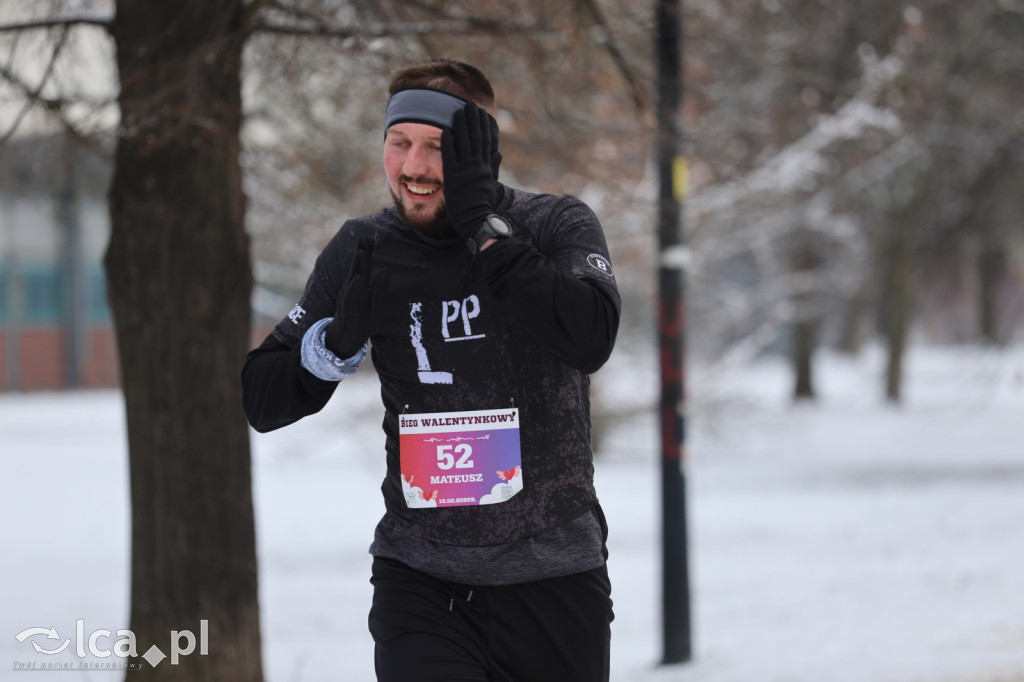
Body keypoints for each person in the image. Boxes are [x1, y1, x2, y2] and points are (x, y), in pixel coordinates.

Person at [241, 58, 620, 682]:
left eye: (437, 148)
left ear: (481, 153)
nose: (413, 168)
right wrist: (331, 347)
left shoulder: (555, 225)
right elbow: (261, 398)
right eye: (398, 144)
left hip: (554, 577)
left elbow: (591, 337)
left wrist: (485, 232)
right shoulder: (364, 247)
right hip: (421, 581)